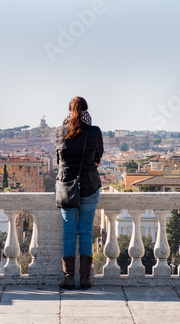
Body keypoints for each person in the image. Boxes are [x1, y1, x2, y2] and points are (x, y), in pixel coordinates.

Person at [55, 96, 103, 289]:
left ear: (69, 111)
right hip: (89, 185)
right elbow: (98, 158)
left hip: (67, 186)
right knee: (85, 232)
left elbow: (59, 161)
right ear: (86, 111)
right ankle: (85, 279)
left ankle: (68, 278)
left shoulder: (59, 131)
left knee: (68, 233)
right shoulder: (94, 131)